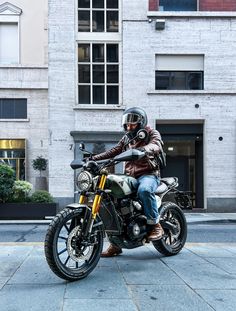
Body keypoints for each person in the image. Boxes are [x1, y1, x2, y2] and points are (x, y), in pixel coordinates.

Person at [92, 107, 164, 257]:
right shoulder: (126, 138)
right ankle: (115, 243)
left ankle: (155, 225)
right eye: (127, 125)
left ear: (141, 122)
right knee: (110, 197)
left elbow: (156, 145)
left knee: (144, 190)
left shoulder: (151, 133)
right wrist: (93, 158)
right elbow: (114, 151)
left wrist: (144, 150)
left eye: (133, 124)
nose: (129, 127)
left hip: (148, 175)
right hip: (130, 176)